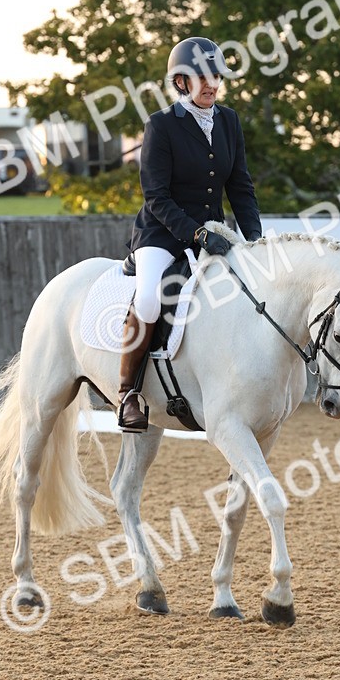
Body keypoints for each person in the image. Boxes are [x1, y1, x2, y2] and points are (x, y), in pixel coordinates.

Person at [117, 36, 263, 432]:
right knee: (149, 298)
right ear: (181, 82)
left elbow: (241, 188)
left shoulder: (229, 121)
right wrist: (197, 235)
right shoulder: (162, 125)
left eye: (216, 76)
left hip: (214, 233)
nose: (211, 84)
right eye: (201, 78)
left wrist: (254, 240)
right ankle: (128, 393)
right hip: (161, 234)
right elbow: (157, 197)